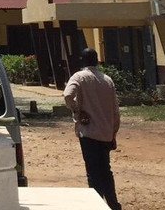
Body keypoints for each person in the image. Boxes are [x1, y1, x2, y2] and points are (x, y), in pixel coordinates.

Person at [63, 48, 122, 210]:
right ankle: (113, 205)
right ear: (96, 61)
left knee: (93, 172)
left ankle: (96, 205)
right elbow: (115, 110)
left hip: (88, 133)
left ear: (82, 61)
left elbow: (68, 95)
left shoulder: (79, 77)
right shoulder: (107, 80)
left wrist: (77, 110)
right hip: (106, 133)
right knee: (106, 171)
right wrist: (113, 133)